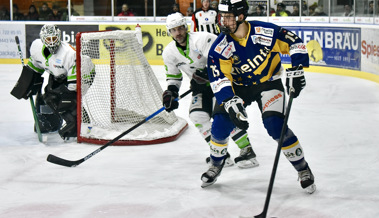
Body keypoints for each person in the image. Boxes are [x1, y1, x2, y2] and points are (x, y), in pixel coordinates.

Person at [203, 0, 316, 194]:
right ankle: (215, 164)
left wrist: (297, 69)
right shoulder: (219, 46)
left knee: (275, 126)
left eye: (228, 17)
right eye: (221, 17)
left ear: (240, 16)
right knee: (220, 125)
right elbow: (219, 78)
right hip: (238, 87)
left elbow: (294, 41)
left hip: (268, 82)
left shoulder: (265, 32)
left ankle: (303, 168)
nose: (222, 21)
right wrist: (230, 101)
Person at [162, 12, 259, 169]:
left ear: (185, 28)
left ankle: (247, 150)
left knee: (223, 115)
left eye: (180, 28)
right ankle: (220, 153)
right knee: (197, 115)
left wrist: (207, 73)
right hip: (201, 89)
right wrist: (171, 93)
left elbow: (222, 60)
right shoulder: (169, 52)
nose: (178, 33)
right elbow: (173, 77)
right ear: (169, 32)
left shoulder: (202, 39)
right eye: (174, 30)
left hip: (222, 84)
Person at [13, 24, 80, 140]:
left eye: (54, 39)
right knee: (46, 97)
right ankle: (52, 123)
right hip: (56, 76)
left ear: (58, 37)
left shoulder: (69, 54)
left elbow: (74, 85)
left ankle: (74, 122)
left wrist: (67, 95)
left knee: (63, 99)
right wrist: (26, 83)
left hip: (77, 76)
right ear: (43, 39)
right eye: (49, 39)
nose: (52, 42)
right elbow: (35, 66)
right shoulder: (37, 47)